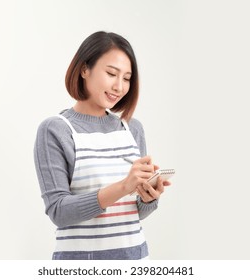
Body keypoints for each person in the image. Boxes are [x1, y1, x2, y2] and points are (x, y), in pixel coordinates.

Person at [34, 31, 170, 260]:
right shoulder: (56, 130)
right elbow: (59, 211)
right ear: (85, 69)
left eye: (127, 78)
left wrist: (148, 198)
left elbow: (133, 212)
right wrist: (124, 186)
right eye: (111, 73)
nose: (119, 86)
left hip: (136, 259)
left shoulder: (132, 129)